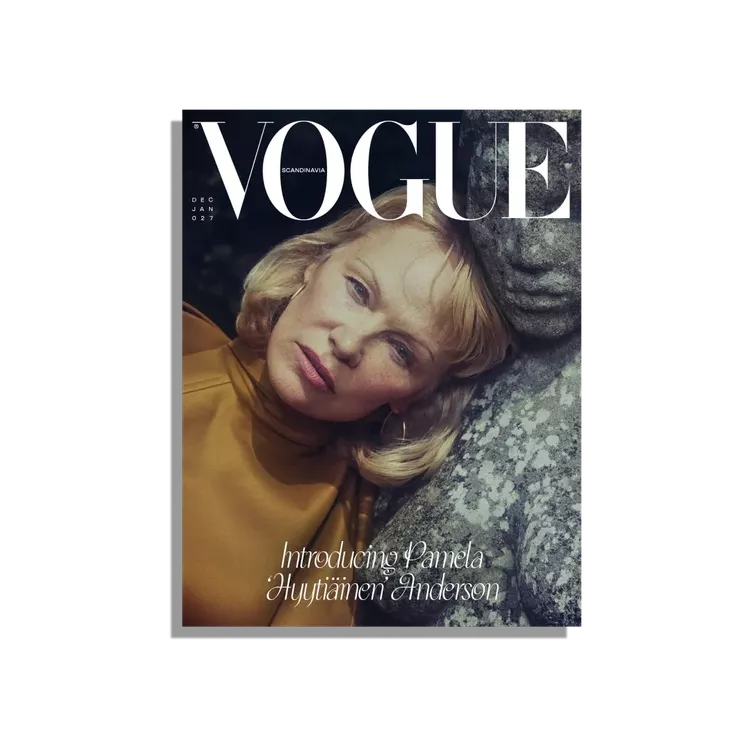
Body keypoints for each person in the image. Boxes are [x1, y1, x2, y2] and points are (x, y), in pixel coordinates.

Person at [182, 184, 514, 627]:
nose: (348, 342)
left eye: (401, 351)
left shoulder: (357, 535)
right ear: (316, 262)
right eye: (358, 290)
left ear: (419, 395)